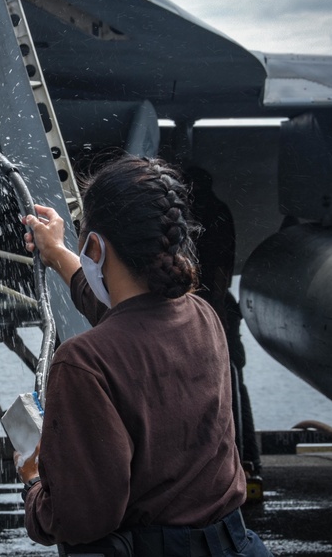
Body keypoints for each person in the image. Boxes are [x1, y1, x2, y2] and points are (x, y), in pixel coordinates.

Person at [16, 156, 273, 557]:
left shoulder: (83, 363)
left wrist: (33, 483)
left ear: (96, 247)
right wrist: (59, 254)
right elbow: (127, 317)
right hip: (234, 545)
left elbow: (83, 518)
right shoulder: (202, 317)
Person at [184, 165, 262, 477]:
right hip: (219, 311)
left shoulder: (199, 216)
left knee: (217, 386)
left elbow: (213, 273)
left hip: (207, 311)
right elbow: (221, 271)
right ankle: (246, 462)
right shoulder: (219, 212)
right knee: (231, 387)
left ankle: (224, 464)